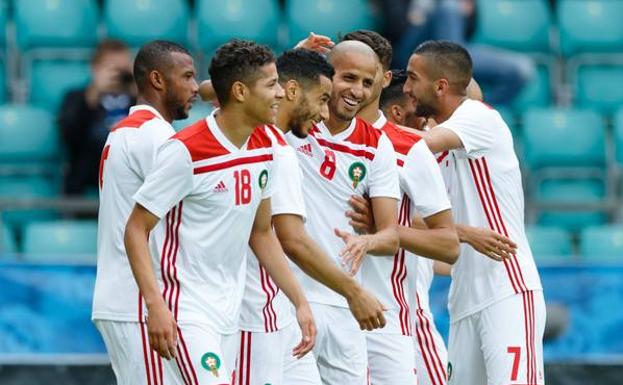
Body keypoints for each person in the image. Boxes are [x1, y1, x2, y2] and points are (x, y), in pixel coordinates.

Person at [124, 39, 315, 385]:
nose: (280, 95)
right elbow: (136, 228)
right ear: (240, 91)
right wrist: (155, 304)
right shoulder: (186, 151)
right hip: (186, 310)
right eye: (271, 85)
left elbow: (261, 233)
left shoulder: (265, 144)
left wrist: (299, 300)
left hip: (230, 311)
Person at [224, 48, 386, 385]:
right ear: (293, 91)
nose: (326, 114)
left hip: (284, 308)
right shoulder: (270, 149)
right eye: (323, 99)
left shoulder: (256, 139)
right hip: (256, 310)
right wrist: (354, 292)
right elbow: (292, 239)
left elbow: (263, 234)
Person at [404, 40, 544, 385]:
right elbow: (406, 216)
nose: (407, 88)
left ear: (440, 87)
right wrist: (463, 232)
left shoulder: (478, 119)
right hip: (464, 297)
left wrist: (357, 136)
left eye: (412, 78)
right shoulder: (435, 137)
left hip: (506, 288)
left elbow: (413, 144)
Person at [342, 29, 459, 385]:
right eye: (345, 73)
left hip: (388, 317)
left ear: (384, 78)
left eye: (366, 75)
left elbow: (447, 244)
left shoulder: (409, 147)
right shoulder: (310, 138)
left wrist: (386, 229)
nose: (355, 87)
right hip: (324, 311)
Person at [284, 40, 400, 384]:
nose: (357, 91)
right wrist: (291, 59)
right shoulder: (293, 123)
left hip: (344, 304)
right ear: (325, 77)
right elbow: (223, 91)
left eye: (367, 82)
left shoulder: (376, 145)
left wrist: (368, 242)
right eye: (348, 78)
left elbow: (391, 235)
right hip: (288, 298)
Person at [91, 40, 199, 385]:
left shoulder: (130, 129)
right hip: (139, 300)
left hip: (125, 296)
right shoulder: (156, 139)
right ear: (157, 80)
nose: (195, 87)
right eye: (187, 77)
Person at [59, 39, 135, 195]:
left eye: (124, 70)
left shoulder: (139, 99)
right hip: (89, 182)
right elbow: (69, 134)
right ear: (95, 69)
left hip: (131, 184)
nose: (119, 76)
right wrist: (94, 93)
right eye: (114, 69)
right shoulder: (77, 98)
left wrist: (141, 90)